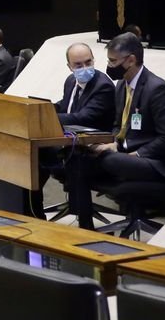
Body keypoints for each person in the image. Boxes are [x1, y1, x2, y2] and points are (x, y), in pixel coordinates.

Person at [76, 32, 165, 230]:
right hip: (127, 153)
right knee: (80, 156)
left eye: (113, 61)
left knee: (109, 160)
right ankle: (86, 227)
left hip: (157, 162)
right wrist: (113, 143)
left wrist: (134, 152)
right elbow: (119, 124)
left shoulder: (157, 89)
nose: (109, 66)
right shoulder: (121, 85)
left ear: (131, 60)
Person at [29, 43, 115, 218]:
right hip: (69, 141)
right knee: (31, 153)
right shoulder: (71, 81)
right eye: (78, 65)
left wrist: (47, 118)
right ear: (69, 67)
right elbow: (65, 105)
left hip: (92, 146)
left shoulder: (103, 86)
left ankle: (85, 223)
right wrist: (42, 110)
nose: (85, 68)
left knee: (69, 158)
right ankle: (33, 213)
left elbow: (83, 117)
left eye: (88, 62)